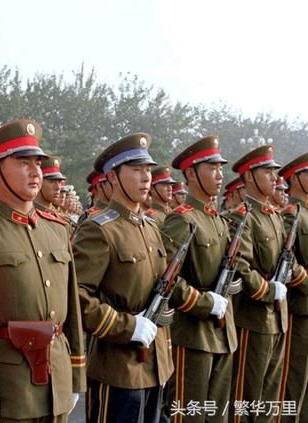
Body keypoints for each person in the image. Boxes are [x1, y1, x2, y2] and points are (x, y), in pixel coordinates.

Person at [0, 119, 86, 423]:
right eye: (23, 163)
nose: (35, 171)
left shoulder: (56, 229)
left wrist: (76, 373)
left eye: (38, 163)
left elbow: (72, 311)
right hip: (10, 389)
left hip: (58, 378)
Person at [72, 133, 173, 423]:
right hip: (118, 368)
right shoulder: (99, 230)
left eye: (148, 170)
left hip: (156, 363)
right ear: (113, 178)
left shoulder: (150, 227)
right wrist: (126, 326)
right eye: (136, 169)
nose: (146, 177)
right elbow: (77, 297)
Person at [229, 145, 307, 422]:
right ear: (249, 176)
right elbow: (239, 265)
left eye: (275, 172)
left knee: (270, 401)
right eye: (267, 172)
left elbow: (288, 259)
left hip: (278, 318)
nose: (275, 178)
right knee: (246, 399)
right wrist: (268, 290)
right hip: (253, 318)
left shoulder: (273, 215)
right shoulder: (243, 215)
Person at [162, 135, 236, 422]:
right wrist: (205, 303)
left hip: (224, 333)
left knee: (216, 416)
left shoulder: (218, 220)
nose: (219, 175)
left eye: (220, 168)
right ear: (191, 174)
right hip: (193, 334)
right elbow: (167, 278)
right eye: (212, 168)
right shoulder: (182, 218)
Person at [277, 153, 308, 422]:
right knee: (292, 381)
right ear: (295, 179)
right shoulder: (291, 215)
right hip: (297, 309)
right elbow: (286, 259)